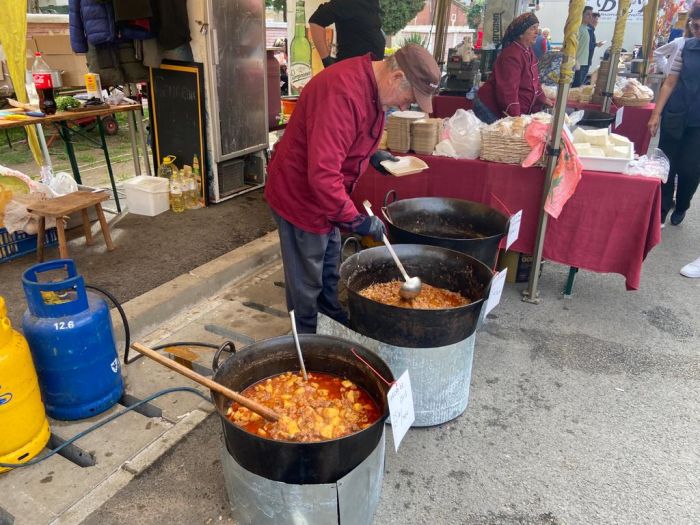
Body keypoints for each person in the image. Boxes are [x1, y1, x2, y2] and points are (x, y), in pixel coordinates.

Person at [264, 44, 441, 333]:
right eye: (408, 99)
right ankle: (306, 343)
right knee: (307, 282)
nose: (403, 107)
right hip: (300, 198)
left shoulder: (373, 87)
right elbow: (323, 175)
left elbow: (345, 138)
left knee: (329, 268)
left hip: (327, 199)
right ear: (397, 77)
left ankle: (332, 323)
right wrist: (356, 221)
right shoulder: (342, 93)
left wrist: (372, 154)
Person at [647, 6, 700, 227]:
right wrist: (656, 114)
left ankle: (682, 204)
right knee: (665, 164)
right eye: (695, 26)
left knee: (691, 169)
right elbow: (670, 82)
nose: (698, 31)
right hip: (675, 113)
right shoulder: (686, 47)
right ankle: (663, 207)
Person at [473, 12, 554, 124]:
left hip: (508, 107)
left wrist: (542, 98)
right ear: (520, 34)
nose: (537, 32)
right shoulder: (511, 56)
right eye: (532, 28)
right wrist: (516, 119)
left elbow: (534, 81)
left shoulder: (528, 51)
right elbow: (508, 91)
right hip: (490, 107)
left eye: (537, 27)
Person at [308, 0, 385, 69]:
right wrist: (327, 61)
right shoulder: (349, 2)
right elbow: (316, 21)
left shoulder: (372, 3)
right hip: (352, 72)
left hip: (368, 70)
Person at [573, 6, 593, 87]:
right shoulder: (578, 29)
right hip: (578, 64)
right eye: (588, 14)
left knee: (578, 88)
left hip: (584, 63)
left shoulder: (586, 28)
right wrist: (575, 61)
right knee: (575, 88)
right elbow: (573, 46)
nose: (590, 17)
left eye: (591, 14)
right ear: (581, 15)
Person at [585, 12, 605, 83]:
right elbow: (588, 45)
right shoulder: (589, 30)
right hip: (585, 59)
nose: (597, 22)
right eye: (596, 19)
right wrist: (596, 44)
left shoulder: (590, 30)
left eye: (597, 20)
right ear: (592, 19)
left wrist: (596, 44)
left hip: (586, 59)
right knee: (580, 81)